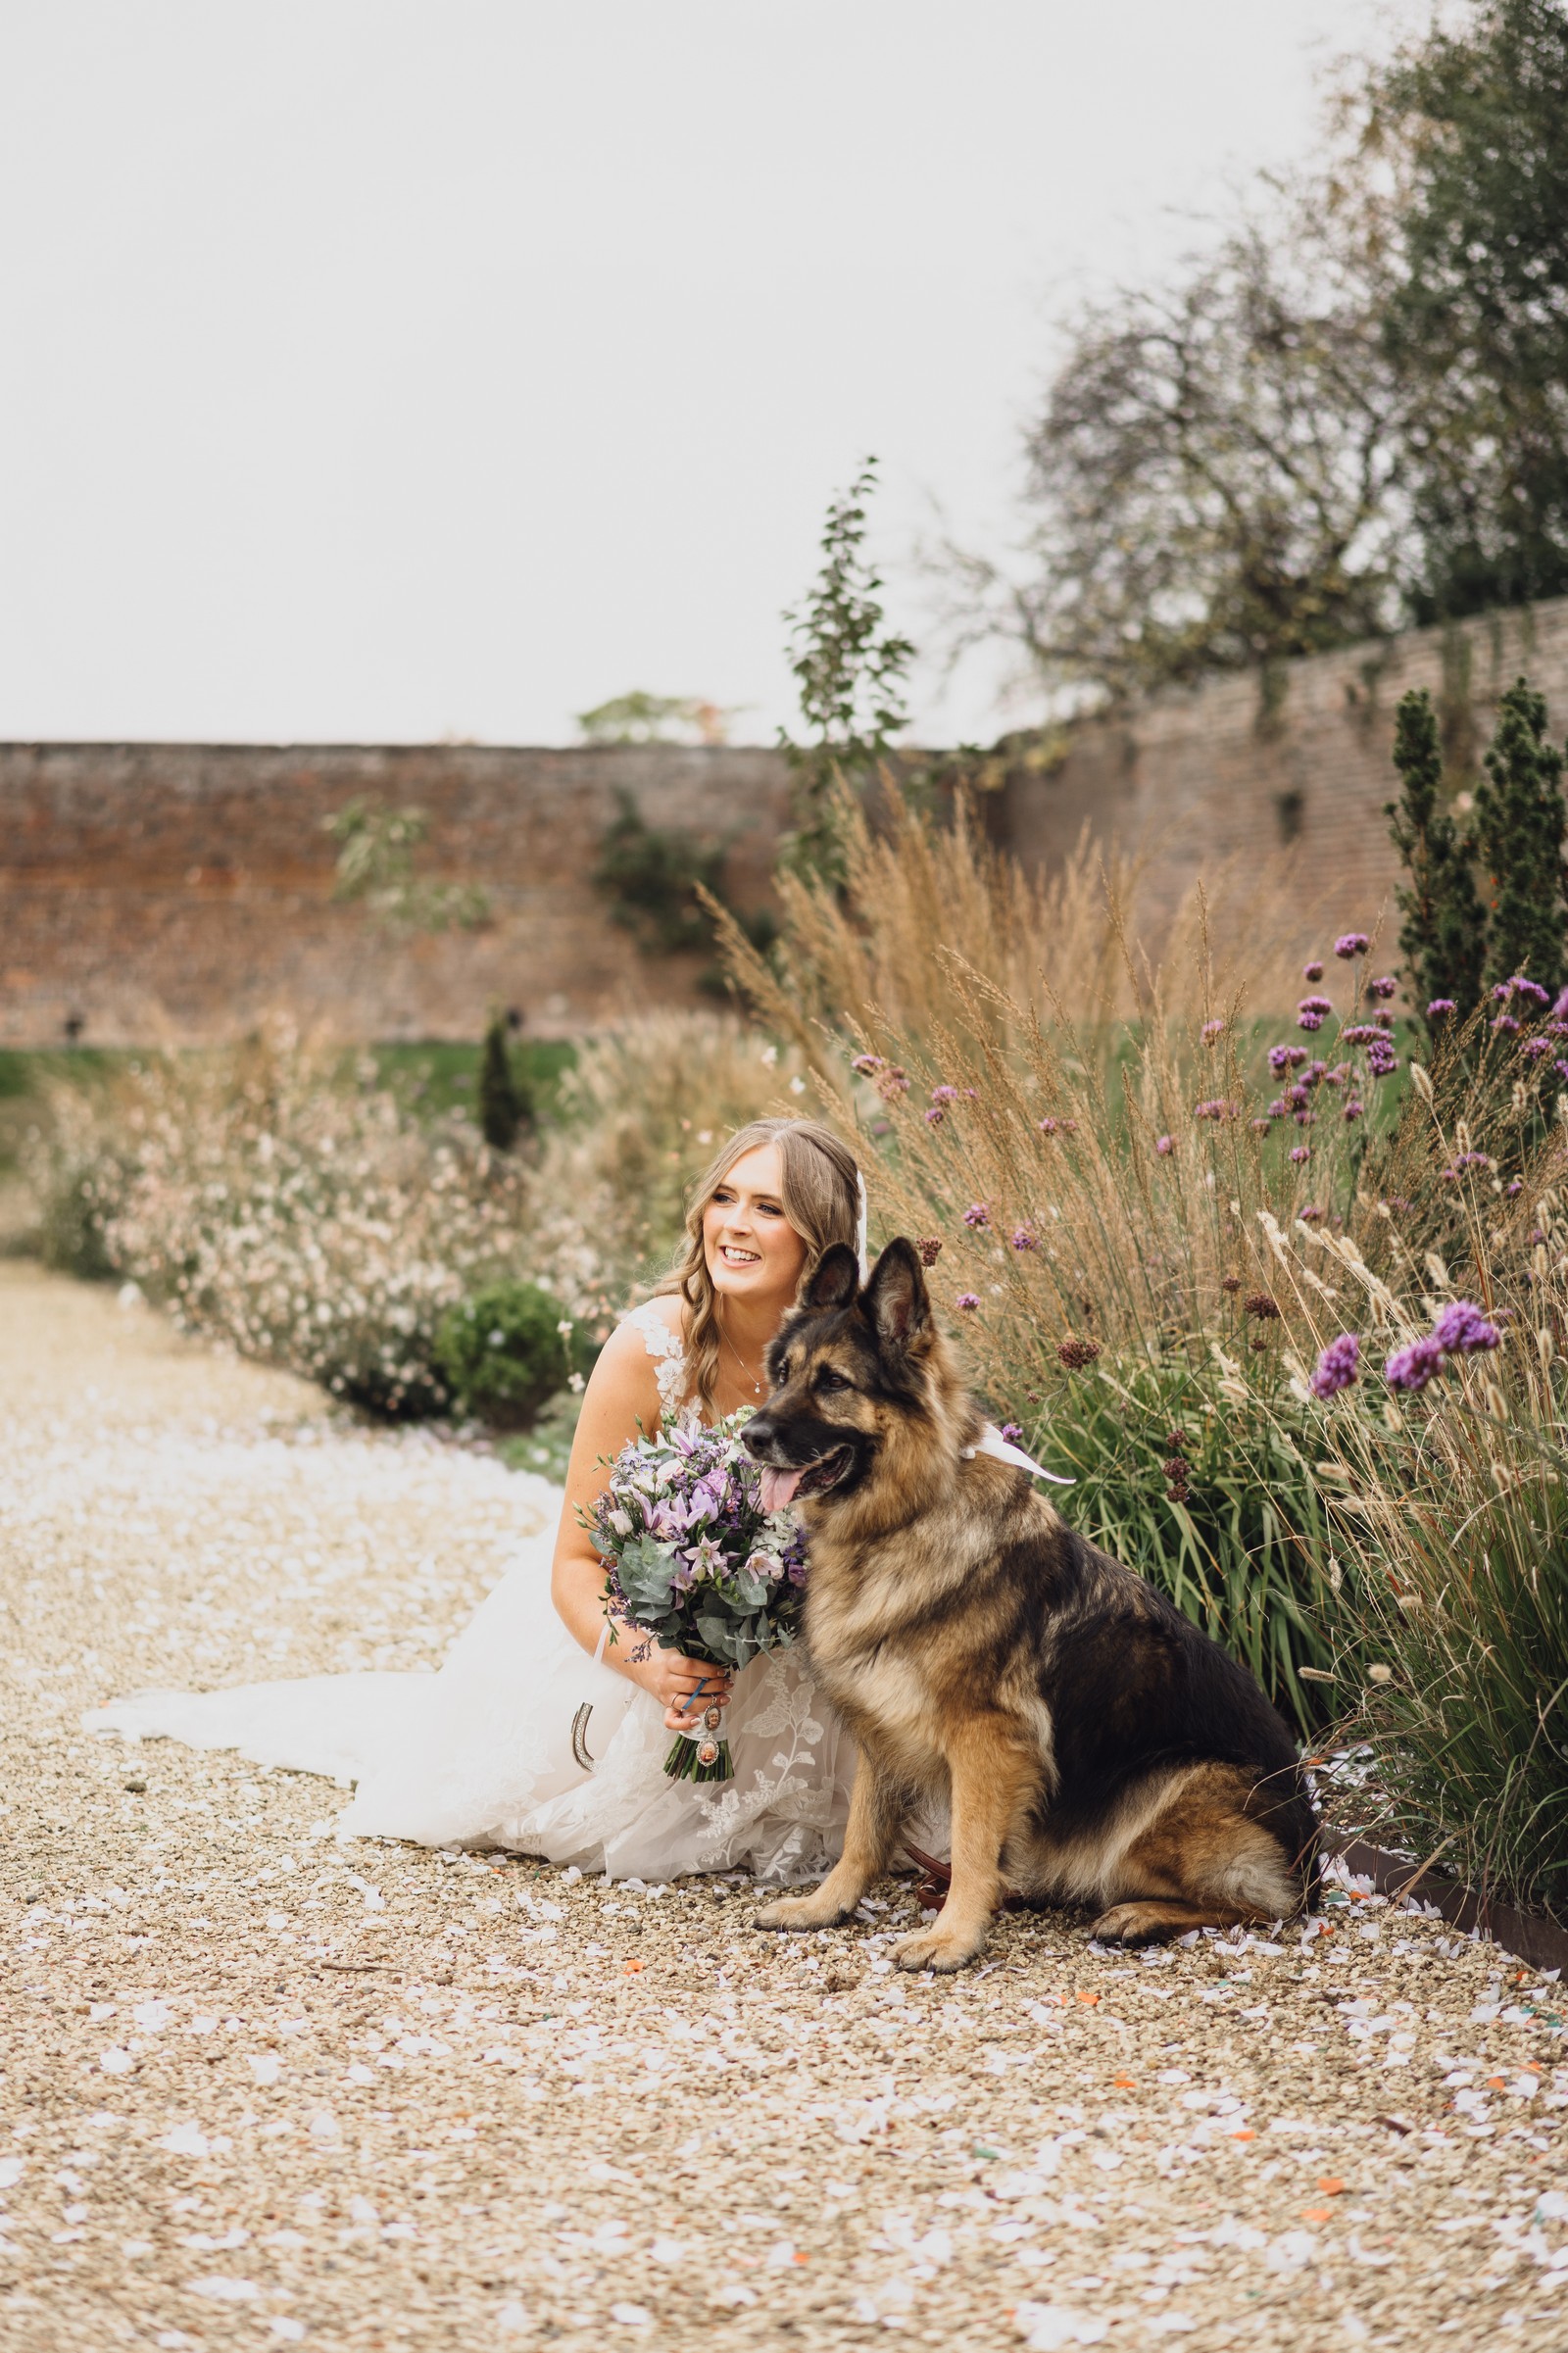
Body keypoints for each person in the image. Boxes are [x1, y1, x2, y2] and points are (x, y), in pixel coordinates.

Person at [84, 1118, 861, 1885]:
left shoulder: (859, 1377)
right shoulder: (652, 1349)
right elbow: (575, 1561)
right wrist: (658, 1665)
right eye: (724, 1196)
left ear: (820, 1240)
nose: (734, 1223)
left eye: (768, 1207)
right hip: (640, 1644)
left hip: (802, 1657)